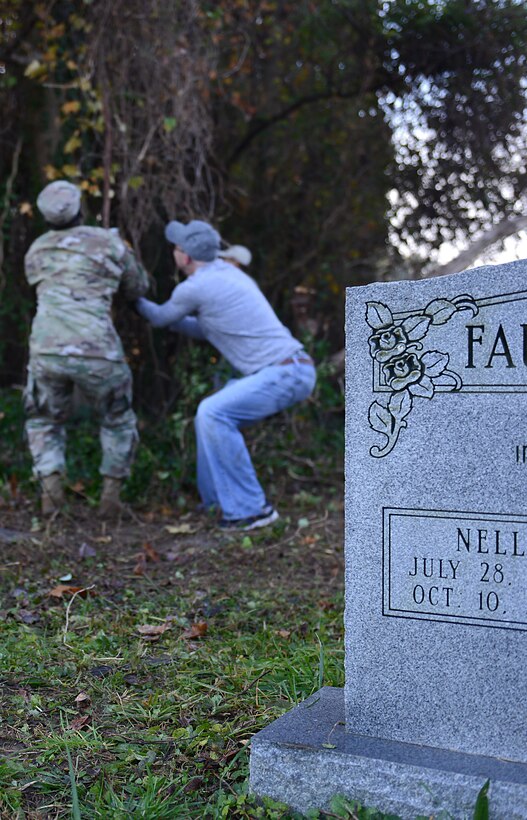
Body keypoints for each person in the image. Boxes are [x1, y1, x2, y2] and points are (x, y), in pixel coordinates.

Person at [135, 219, 316, 530]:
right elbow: (204, 327)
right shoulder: (228, 274)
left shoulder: (195, 287)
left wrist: (130, 296)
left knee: (213, 413)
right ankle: (218, 503)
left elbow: (160, 317)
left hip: (283, 372)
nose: (173, 254)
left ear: (185, 257)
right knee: (210, 417)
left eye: (176, 249)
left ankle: (251, 511)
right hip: (294, 368)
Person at [24, 180, 149, 515]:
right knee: (117, 418)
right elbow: (138, 287)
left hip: (46, 349)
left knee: (44, 419)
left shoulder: (36, 249)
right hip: (98, 350)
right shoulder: (107, 243)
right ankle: (111, 499)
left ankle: (51, 496)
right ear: (80, 208)